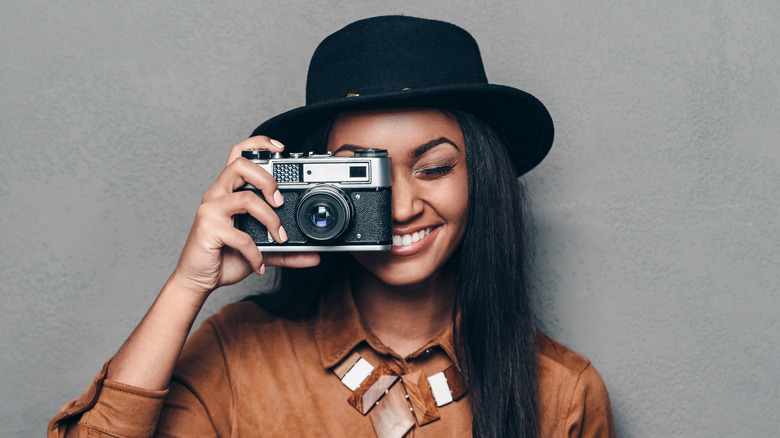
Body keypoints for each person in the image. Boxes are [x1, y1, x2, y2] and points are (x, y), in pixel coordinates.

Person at [49, 15, 614, 438]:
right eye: (364, 178)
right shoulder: (235, 357)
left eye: (434, 167)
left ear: (481, 177)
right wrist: (186, 286)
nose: (399, 208)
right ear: (313, 184)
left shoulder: (562, 392)